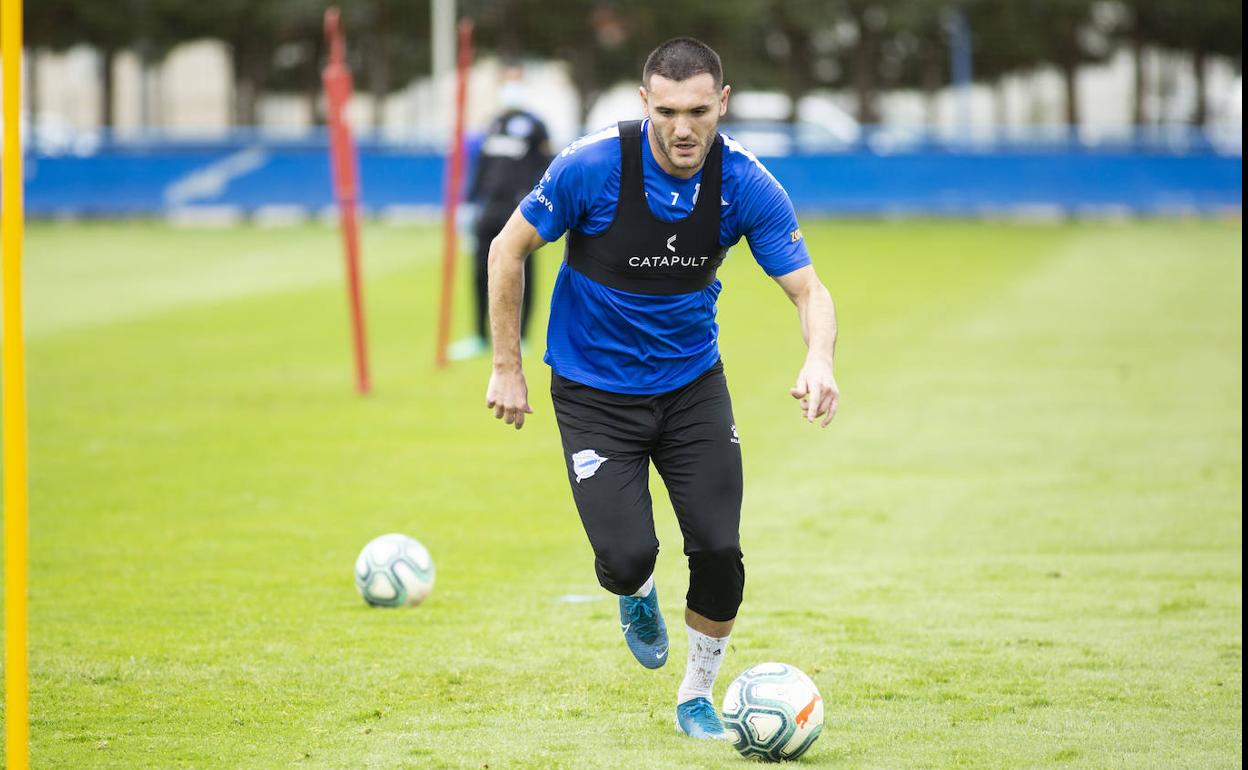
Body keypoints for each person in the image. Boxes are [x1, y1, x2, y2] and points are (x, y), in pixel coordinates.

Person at [484, 38, 839, 740]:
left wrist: (819, 358)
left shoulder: (745, 183)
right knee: (626, 557)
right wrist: (507, 366)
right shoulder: (591, 167)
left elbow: (809, 288)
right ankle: (635, 594)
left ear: (722, 105)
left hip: (690, 389)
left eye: (699, 111)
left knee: (718, 551)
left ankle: (696, 696)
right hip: (592, 393)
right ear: (645, 103)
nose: (684, 128)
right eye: (669, 111)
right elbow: (507, 248)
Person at [449, 66, 552, 360]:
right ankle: (480, 335)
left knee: (522, 270)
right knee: (480, 272)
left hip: (520, 211)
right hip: (488, 210)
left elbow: (545, 168)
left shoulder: (535, 126)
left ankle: (522, 335)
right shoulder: (492, 124)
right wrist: (468, 204)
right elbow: (481, 168)